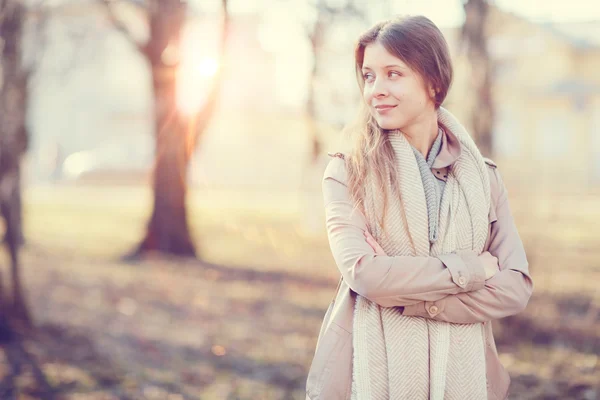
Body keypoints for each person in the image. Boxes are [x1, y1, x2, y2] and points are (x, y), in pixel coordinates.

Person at [305, 15, 533, 400]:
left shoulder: (484, 178)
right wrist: (472, 269)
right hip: (370, 376)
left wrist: (407, 296)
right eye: (369, 76)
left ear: (434, 82)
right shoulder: (349, 170)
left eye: (394, 73)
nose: (376, 89)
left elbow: (514, 288)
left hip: (466, 377)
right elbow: (366, 276)